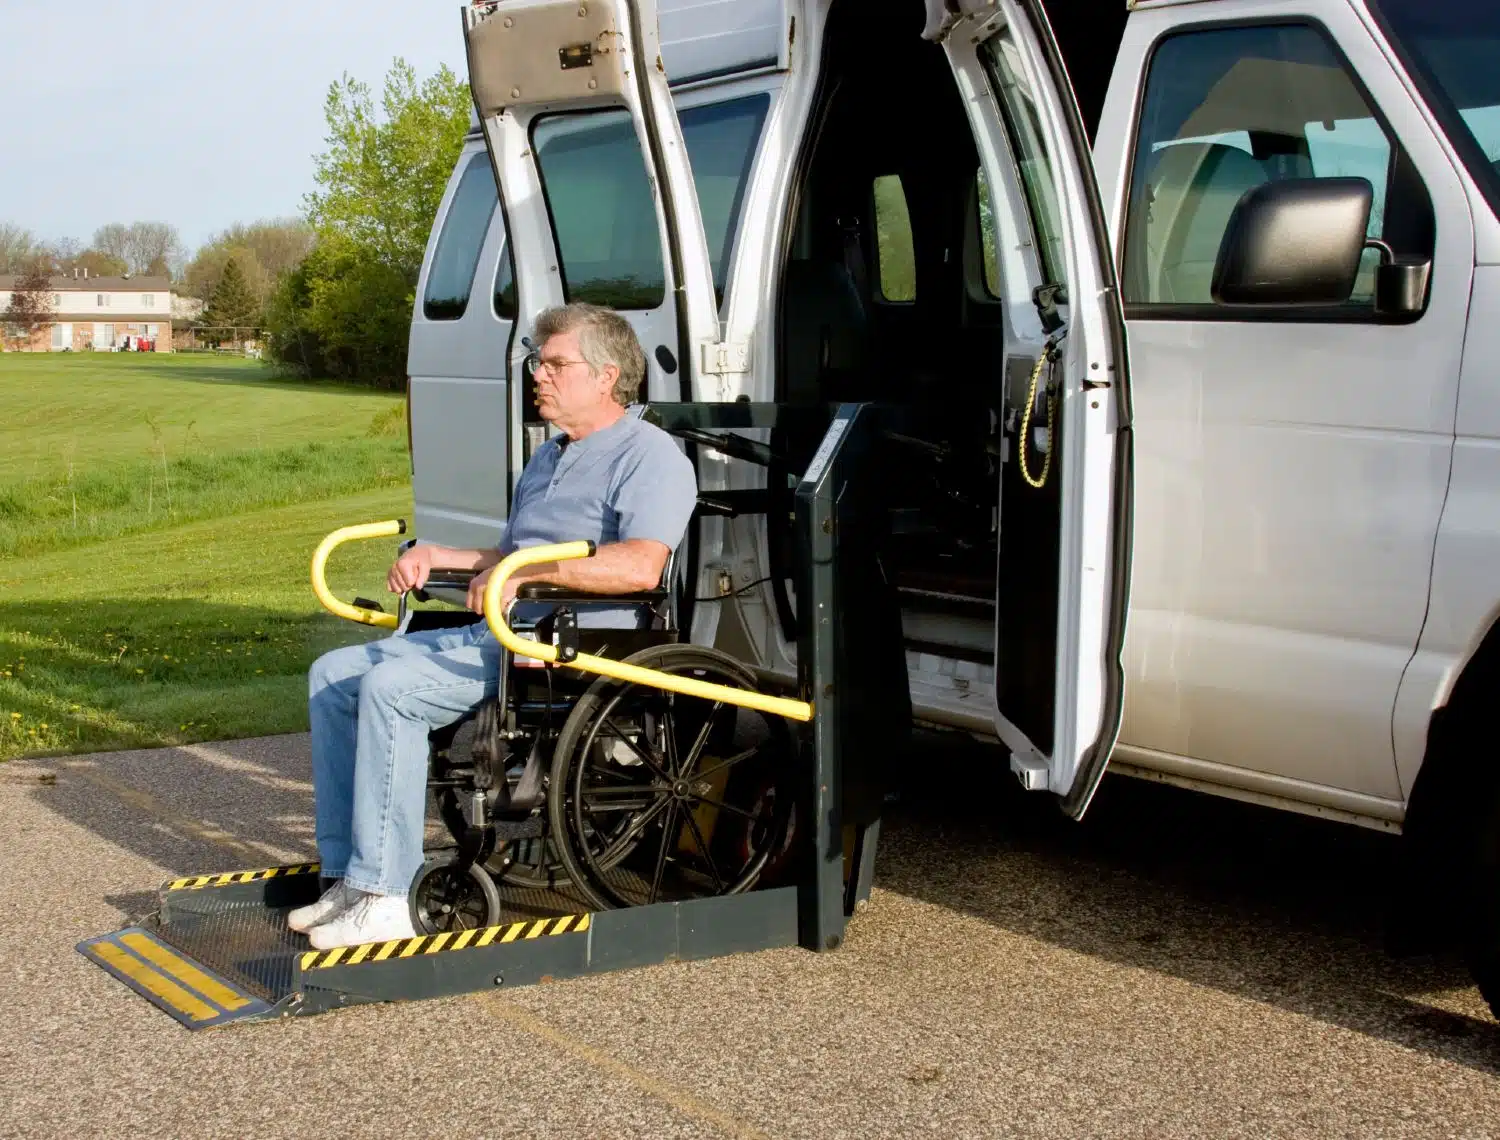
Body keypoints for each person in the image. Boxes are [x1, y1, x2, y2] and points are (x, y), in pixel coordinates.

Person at [293, 302, 697, 950]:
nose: (538, 374)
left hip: (571, 641)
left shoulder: (650, 456)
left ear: (606, 376)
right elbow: (509, 553)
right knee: (332, 675)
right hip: (503, 631)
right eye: (539, 362)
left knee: (392, 691)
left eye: (555, 363)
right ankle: (350, 876)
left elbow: (640, 565)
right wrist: (439, 556)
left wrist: (520, 576)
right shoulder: (549, 456)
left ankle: (388, 897)